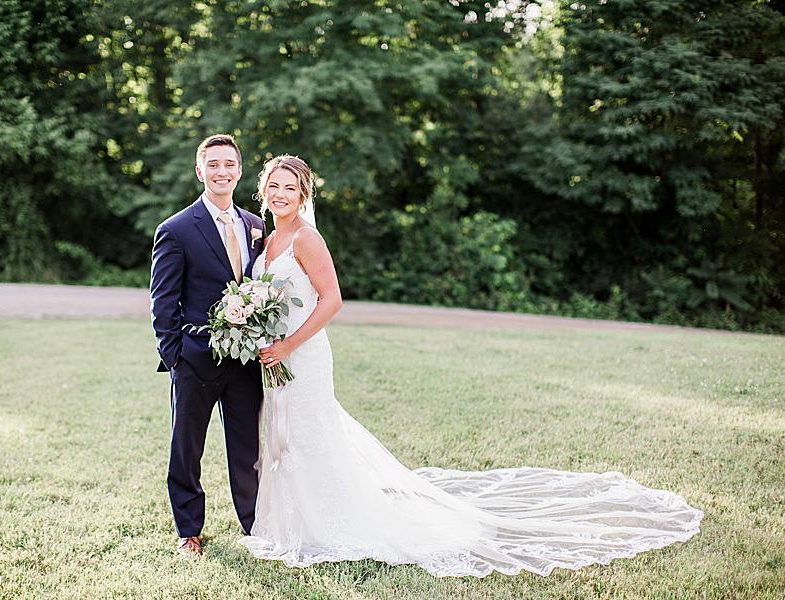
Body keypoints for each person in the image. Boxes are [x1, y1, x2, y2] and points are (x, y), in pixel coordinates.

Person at [242, 154, 704, 577]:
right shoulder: (268, 242)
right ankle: (289, 525)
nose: (281, 194)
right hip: (277, 355)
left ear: (303, 193)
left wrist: (290, 344)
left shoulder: (306, 237)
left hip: (303, 354)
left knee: (310, 433)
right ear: (263, 191)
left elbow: (333, 300)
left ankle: (331, 525)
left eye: (290, 187)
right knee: (288, 436)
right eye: (274, 186)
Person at [150, 134, 266, 556]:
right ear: (201, 171)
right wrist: (176, 356)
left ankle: (255, 526)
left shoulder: (255, 225)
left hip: (246, 361)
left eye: (229, 164)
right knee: (187, 448)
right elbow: (163, 303)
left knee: (247, 448)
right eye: (213, 164)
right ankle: (189, 529)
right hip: (196, 359)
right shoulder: (176, 229)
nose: (221, 171)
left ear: (239, 170)